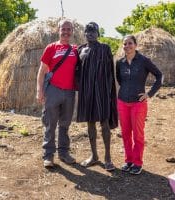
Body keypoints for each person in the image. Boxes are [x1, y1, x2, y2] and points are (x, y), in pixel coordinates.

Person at [116, 35, 162, 175]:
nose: (127, 46)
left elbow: (159, 76)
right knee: (125, 134)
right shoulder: (120, 62)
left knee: (138, 135)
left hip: (138, 103)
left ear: (135, 45)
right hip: (122, 102)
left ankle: (137, 163)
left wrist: (149, 94)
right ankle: (128, 160)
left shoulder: (143, 61)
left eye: (130, 43)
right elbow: (119, 79)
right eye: (125, 44)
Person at [76, 22, 118, 171]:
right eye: (88, 31)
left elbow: (110, 73)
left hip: (102, 91)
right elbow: (76, 71)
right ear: (84, 33)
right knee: (90, 124)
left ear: (98, 34)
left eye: (94, 31)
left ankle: (108, 158)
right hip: (87, 92)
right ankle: (94, 156)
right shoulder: (80, 50)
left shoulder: (105, 48)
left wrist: (110, 92)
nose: (91, 33)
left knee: (104, 123)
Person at [36, 19, 78, 168]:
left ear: (72, 31)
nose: (66, 32)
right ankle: (48, 155)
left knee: (65, 124)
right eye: (63, 29)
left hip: (69, 92)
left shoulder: (75, 50)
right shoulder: (51, 48)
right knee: (50, 123)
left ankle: (64, 153)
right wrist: (39, 90)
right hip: (53, 90)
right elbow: (41, 71)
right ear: (58, 30)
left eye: (69, 29)